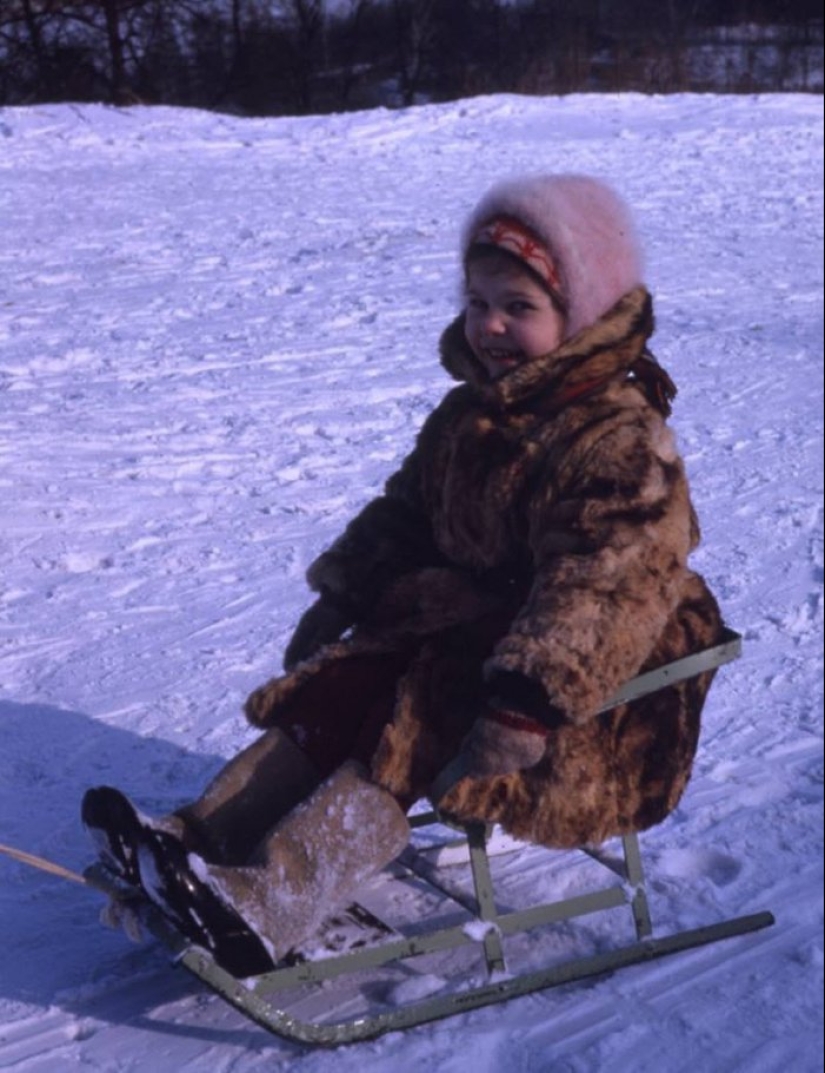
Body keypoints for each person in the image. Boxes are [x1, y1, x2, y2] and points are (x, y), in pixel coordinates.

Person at [82, 173, 725, 978]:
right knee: (353, 680)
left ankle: (271, 898)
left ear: (582, 315)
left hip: (590, 687)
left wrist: (529, 694)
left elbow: (607, 580)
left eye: (518, 308)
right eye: (477, 301)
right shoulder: (471, 417)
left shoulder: (619, 442)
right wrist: (347, 588)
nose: (488, 325)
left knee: (421, 705)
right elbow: (407, 512)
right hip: (481, 628)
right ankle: (198, 841)